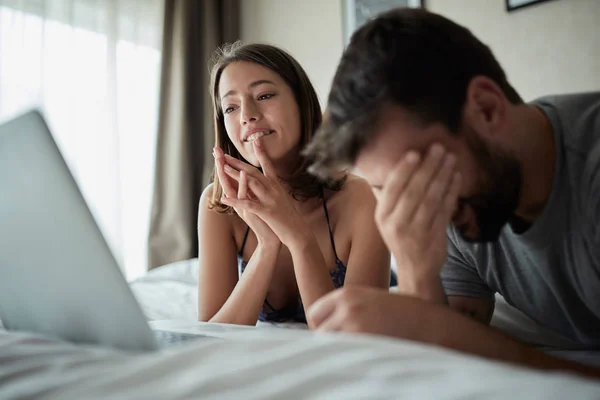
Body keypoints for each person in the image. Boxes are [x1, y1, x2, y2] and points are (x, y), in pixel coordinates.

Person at [303, 8, 600, 377]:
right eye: (390, 188)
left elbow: (450, 335)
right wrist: (416, 275)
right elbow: (450, 350)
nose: (417, 204)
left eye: (420, 174)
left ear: (487, 109)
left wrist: (433, 327)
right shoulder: (456, 209)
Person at [196, 42, 393, 326]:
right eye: (230, 107)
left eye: (263, 95)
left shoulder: (359, 198)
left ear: (302, 104)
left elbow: (350, 339)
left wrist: (297, 237)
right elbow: (211, 338)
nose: (246, 115)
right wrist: (267, 244)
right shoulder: (219, 205)